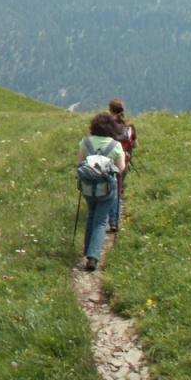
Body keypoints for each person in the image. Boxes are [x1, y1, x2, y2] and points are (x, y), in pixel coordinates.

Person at [77, 112, 127, 271]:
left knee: (91, 215)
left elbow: (79, 164)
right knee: (100, 220)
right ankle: (93, 256)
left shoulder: (85, 143)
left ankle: (87, 249)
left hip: (88, 189)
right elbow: (120, 169)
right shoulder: (115, 145)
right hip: (106, 189)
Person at [107, 98, 138, 232]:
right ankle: (114, 221)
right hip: (124, 160)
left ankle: (107, 216)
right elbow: (136, 145)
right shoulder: (130, 126)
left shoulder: (108, 125)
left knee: (108, 189)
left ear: (110, 109)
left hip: (109, 160)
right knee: (118, 189)